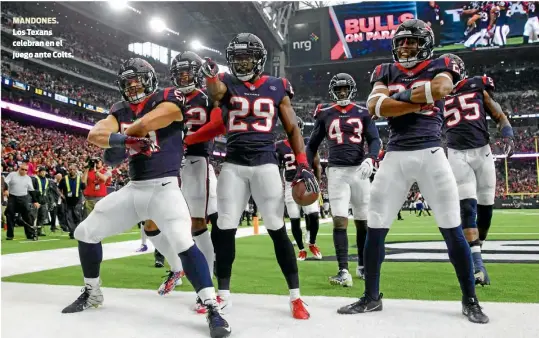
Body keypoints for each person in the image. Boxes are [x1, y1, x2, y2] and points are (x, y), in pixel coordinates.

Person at [61, 58, 230, 338]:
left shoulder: (168, 96)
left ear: (150, 79)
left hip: (165, 187)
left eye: (137, 80)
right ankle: (92, 292)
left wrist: (126, 133)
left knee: (183, 241)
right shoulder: (119, 109)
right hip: (134, 188)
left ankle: (212, 306)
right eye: (128, 82)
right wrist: (125, 141)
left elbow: (162, 116)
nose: (133, 85)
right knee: (85, 232)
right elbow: (95, 134)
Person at [337, 19, 489, 324]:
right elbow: (374, 106)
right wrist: (419, 99)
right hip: (394, 154)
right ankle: (371, 297)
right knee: (376, 227)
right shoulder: (385, 70)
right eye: (402, 41)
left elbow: (442, 88)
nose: (405, 46)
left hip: (432, 152)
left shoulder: (442, 64)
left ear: (426, 45)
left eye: (412, 42)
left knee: (451, 227)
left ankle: (470, 300)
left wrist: (397, 100)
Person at [185, 33, 318, 319]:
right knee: (225, 226)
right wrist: (210, 76)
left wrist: (303, 162)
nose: (242, 63)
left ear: (259, 59)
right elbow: (216, 92)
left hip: (265, 163)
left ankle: (295, 296)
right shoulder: (227, 83)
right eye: (237, 58)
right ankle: (224, 294)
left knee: (275, 226)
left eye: (247, 57)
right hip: (233, 164)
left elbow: (293, 128)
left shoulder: (276, 85)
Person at [442, 53, 514, 286]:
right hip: (456, 153)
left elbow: (496, 110)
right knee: (467, 207)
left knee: (486, 210)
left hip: (482, 151)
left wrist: (507, 131)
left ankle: (477, 249)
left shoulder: (476, 85)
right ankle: (477, 264)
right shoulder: (436, 93)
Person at [307, 73, 381, 284]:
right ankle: (343, 271)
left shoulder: (363, 112)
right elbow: (311, 145)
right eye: (338, 89)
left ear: (351, 90)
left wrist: (371, 158)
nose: (341, 92)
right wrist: (306, 166)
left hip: (359, 170)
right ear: (333, 91)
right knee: (340, 220)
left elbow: (375, 140)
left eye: (344, 89)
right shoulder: (325, 113)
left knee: (363, 222)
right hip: (337, 171)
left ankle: (363, 265)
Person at [171, 51, 220, 314]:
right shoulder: (168, 97)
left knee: (197, 222)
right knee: (160, 221)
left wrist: (187, 141)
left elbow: (218, 125)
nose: (183, 77)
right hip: (168, 164)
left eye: (187, 72)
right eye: (179, 73)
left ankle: (208, 282)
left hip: (195, 160)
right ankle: (176, 268)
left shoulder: (207, 97)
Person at [276, 117, 323, 261]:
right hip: (291, 185)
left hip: (306, 182)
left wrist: (318, 182)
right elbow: (276, 167)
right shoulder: (279, 146)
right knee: (294, 219)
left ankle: (312, 243)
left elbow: (316, 163)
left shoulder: (308, 141)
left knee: (314, 215)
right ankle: (302, 249)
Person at [4, 163, 40, 240]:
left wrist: (35, 201)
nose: (24, 171)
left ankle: (30, 234)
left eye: (26, 170)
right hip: (12, 197)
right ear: (19, 168)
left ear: (27, 171)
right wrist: (5, 189)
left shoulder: (28, 178)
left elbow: (31, 191)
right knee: (9, 215)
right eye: (22, 169)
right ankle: (10, 235)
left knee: (27, 216)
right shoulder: (12, 174)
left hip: (24, 198)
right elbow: (5, 182)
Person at [58, 164, 86, 239]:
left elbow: (83, 187)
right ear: (68, 170)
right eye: (70, 169)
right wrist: (61, 195)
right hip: (68, 201)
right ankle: (72, 232)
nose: (72, 171)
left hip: (78, 201)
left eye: (73, 169)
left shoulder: (79, 179)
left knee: (78, 217)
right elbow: (59, 188)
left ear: (76, 170)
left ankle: (78, 232)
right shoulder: (64, 179)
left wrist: (84, 199)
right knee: (69, 218)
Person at [31, 166, 51, 236]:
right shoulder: (34, 179)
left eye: (44, 171)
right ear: (39, 172)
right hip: (36, 199)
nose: (43, 173)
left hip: (43, 200)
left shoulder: (47, 180)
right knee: (34, 216)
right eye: (42, 171)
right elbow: (32, 190)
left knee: (42, 216)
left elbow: (48, 191)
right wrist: (34, 200)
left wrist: (48, 200)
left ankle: (39, 230)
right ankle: (33, 231)